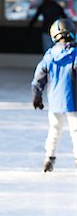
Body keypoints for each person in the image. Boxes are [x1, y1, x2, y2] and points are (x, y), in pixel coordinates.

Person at [31, 18, 77, 172]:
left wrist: (37, 94)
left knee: (54, 129)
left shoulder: (50, 55)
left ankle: (49, 157)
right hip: (73, 101)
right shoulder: (75, 54)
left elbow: (39, 77)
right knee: (75, 131)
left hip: (55, 101)